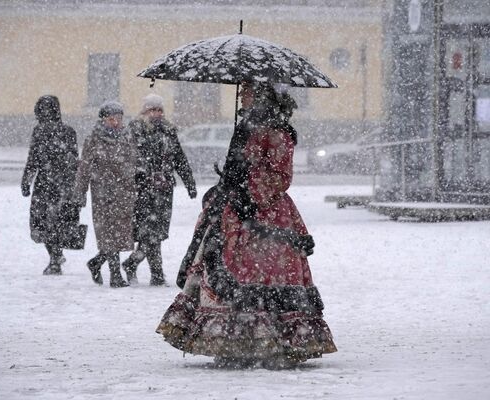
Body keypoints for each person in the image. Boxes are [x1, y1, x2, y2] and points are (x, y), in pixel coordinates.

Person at [156, 83, 337, 369]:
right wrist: (229, 180)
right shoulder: (246, 125)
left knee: (261, 272)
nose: (242, 95)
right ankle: (231, 340)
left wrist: (250, 194)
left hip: (263, 211)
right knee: (224, 268)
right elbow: (240, 166)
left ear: (264, 94)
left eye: (249, 90)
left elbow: (280, 174)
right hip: (233, 207)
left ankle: (269, 341)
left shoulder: (277, 130)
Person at [122, 94, 197, 286]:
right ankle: (151, 271)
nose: (156, 113)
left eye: (159, 110)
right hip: (143, 190)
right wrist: (137, 175)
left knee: (157, 232)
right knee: (149, 233)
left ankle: (147, 270)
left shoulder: (169, 131)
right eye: (152, 110)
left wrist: (189, 183)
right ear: (144, 111)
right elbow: (128, 159)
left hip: (163, 190)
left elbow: (179, 159)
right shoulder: (135, 130)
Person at [73, 101, 136, 288]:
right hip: (103, 194)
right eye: (111, 119)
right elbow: (84, 168)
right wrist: (80, 192)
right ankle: (115, 276)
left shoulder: (127, 137)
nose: (116, 122)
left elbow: (134, 161)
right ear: (103, 120)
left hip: (124, 193)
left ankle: (96, 262)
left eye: (119, 118)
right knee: (108, 234)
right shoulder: (94, 139)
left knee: (120, 236)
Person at [21, 95, 79, 275]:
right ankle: (56, 256)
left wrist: (27, 180)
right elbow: (73, 160)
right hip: (60, 184)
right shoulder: (67, 131)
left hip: (47, 184)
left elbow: (33, 160)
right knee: (56, 222)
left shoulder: (41, 132)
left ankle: (55, 257)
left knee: (45, 223)